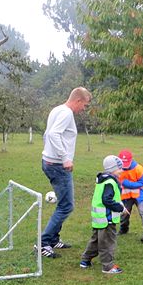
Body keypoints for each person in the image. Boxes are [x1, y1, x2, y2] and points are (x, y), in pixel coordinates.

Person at [39, 87, 91, 259]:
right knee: (67, 206)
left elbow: (47, 134)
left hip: (50, 162)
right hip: (58, 166)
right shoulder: (67, 113)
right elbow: (53, 134)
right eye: (84, 105)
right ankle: (43, 242)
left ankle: (53, 239)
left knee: (63, 203)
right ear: (78, 100)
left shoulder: (57, 110)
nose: (83, 109)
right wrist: (65, 158)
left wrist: (48, 153)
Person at [79, 155, 129, 274]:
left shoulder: (103, 180)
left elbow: (112, 197)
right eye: (120, 168)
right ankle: (108, 266)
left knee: (96, 240)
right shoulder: (110, 182)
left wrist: (122, 206)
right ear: (112, 169)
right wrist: (120, 209)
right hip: (107, 219)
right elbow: (107, 200)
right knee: (107, 243)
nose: (122, 171)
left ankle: (85, 260)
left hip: (99, 219)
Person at [118, 149, 143, 243]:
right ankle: (123, 229)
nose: (124, 166)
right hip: (126, 195)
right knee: (125, 213)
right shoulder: (118, 169)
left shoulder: (139, 168)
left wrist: (126, 183)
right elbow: (118, 182)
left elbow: (142, 183)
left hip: (139, 194)